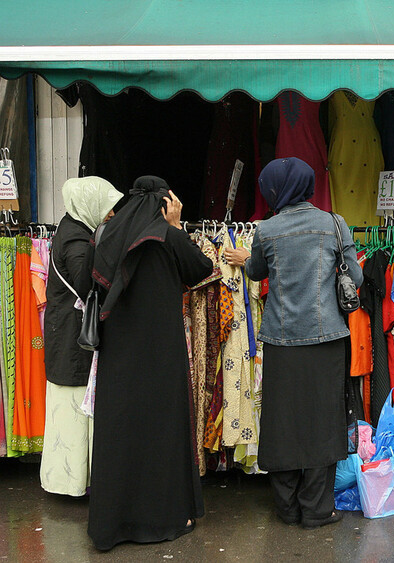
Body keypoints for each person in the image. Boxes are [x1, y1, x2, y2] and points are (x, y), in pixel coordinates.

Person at [225, 157, 363, 530]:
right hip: (327, 340)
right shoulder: (334, 224)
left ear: (276, 189)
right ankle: (317, 509)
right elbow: (358, 275)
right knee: (322, 422)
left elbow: (255, 271)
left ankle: (286, 507)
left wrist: (246, 258)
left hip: (282, 341)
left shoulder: (267, 230)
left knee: (284, 423)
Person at [87, 177, 213, 551]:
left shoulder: (107, 235)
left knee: (119, 433)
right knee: (162, 433)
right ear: (165, 204)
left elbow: (89, 282)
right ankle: (162, 518)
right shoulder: (167, 235)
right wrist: (175, 227)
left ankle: (110, 526)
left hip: (117, 356)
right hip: (161, 354)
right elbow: (201, 268)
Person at [41, 177, 123, 497]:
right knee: (74, 408)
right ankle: (74, 483)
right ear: (89, 205)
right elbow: (87, 285)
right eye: (107, 207)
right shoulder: (77, 240)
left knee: (71, 408)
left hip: (66, 334)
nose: (113, 214)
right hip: (73, 340)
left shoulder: (72, 228)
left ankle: (73, 481)